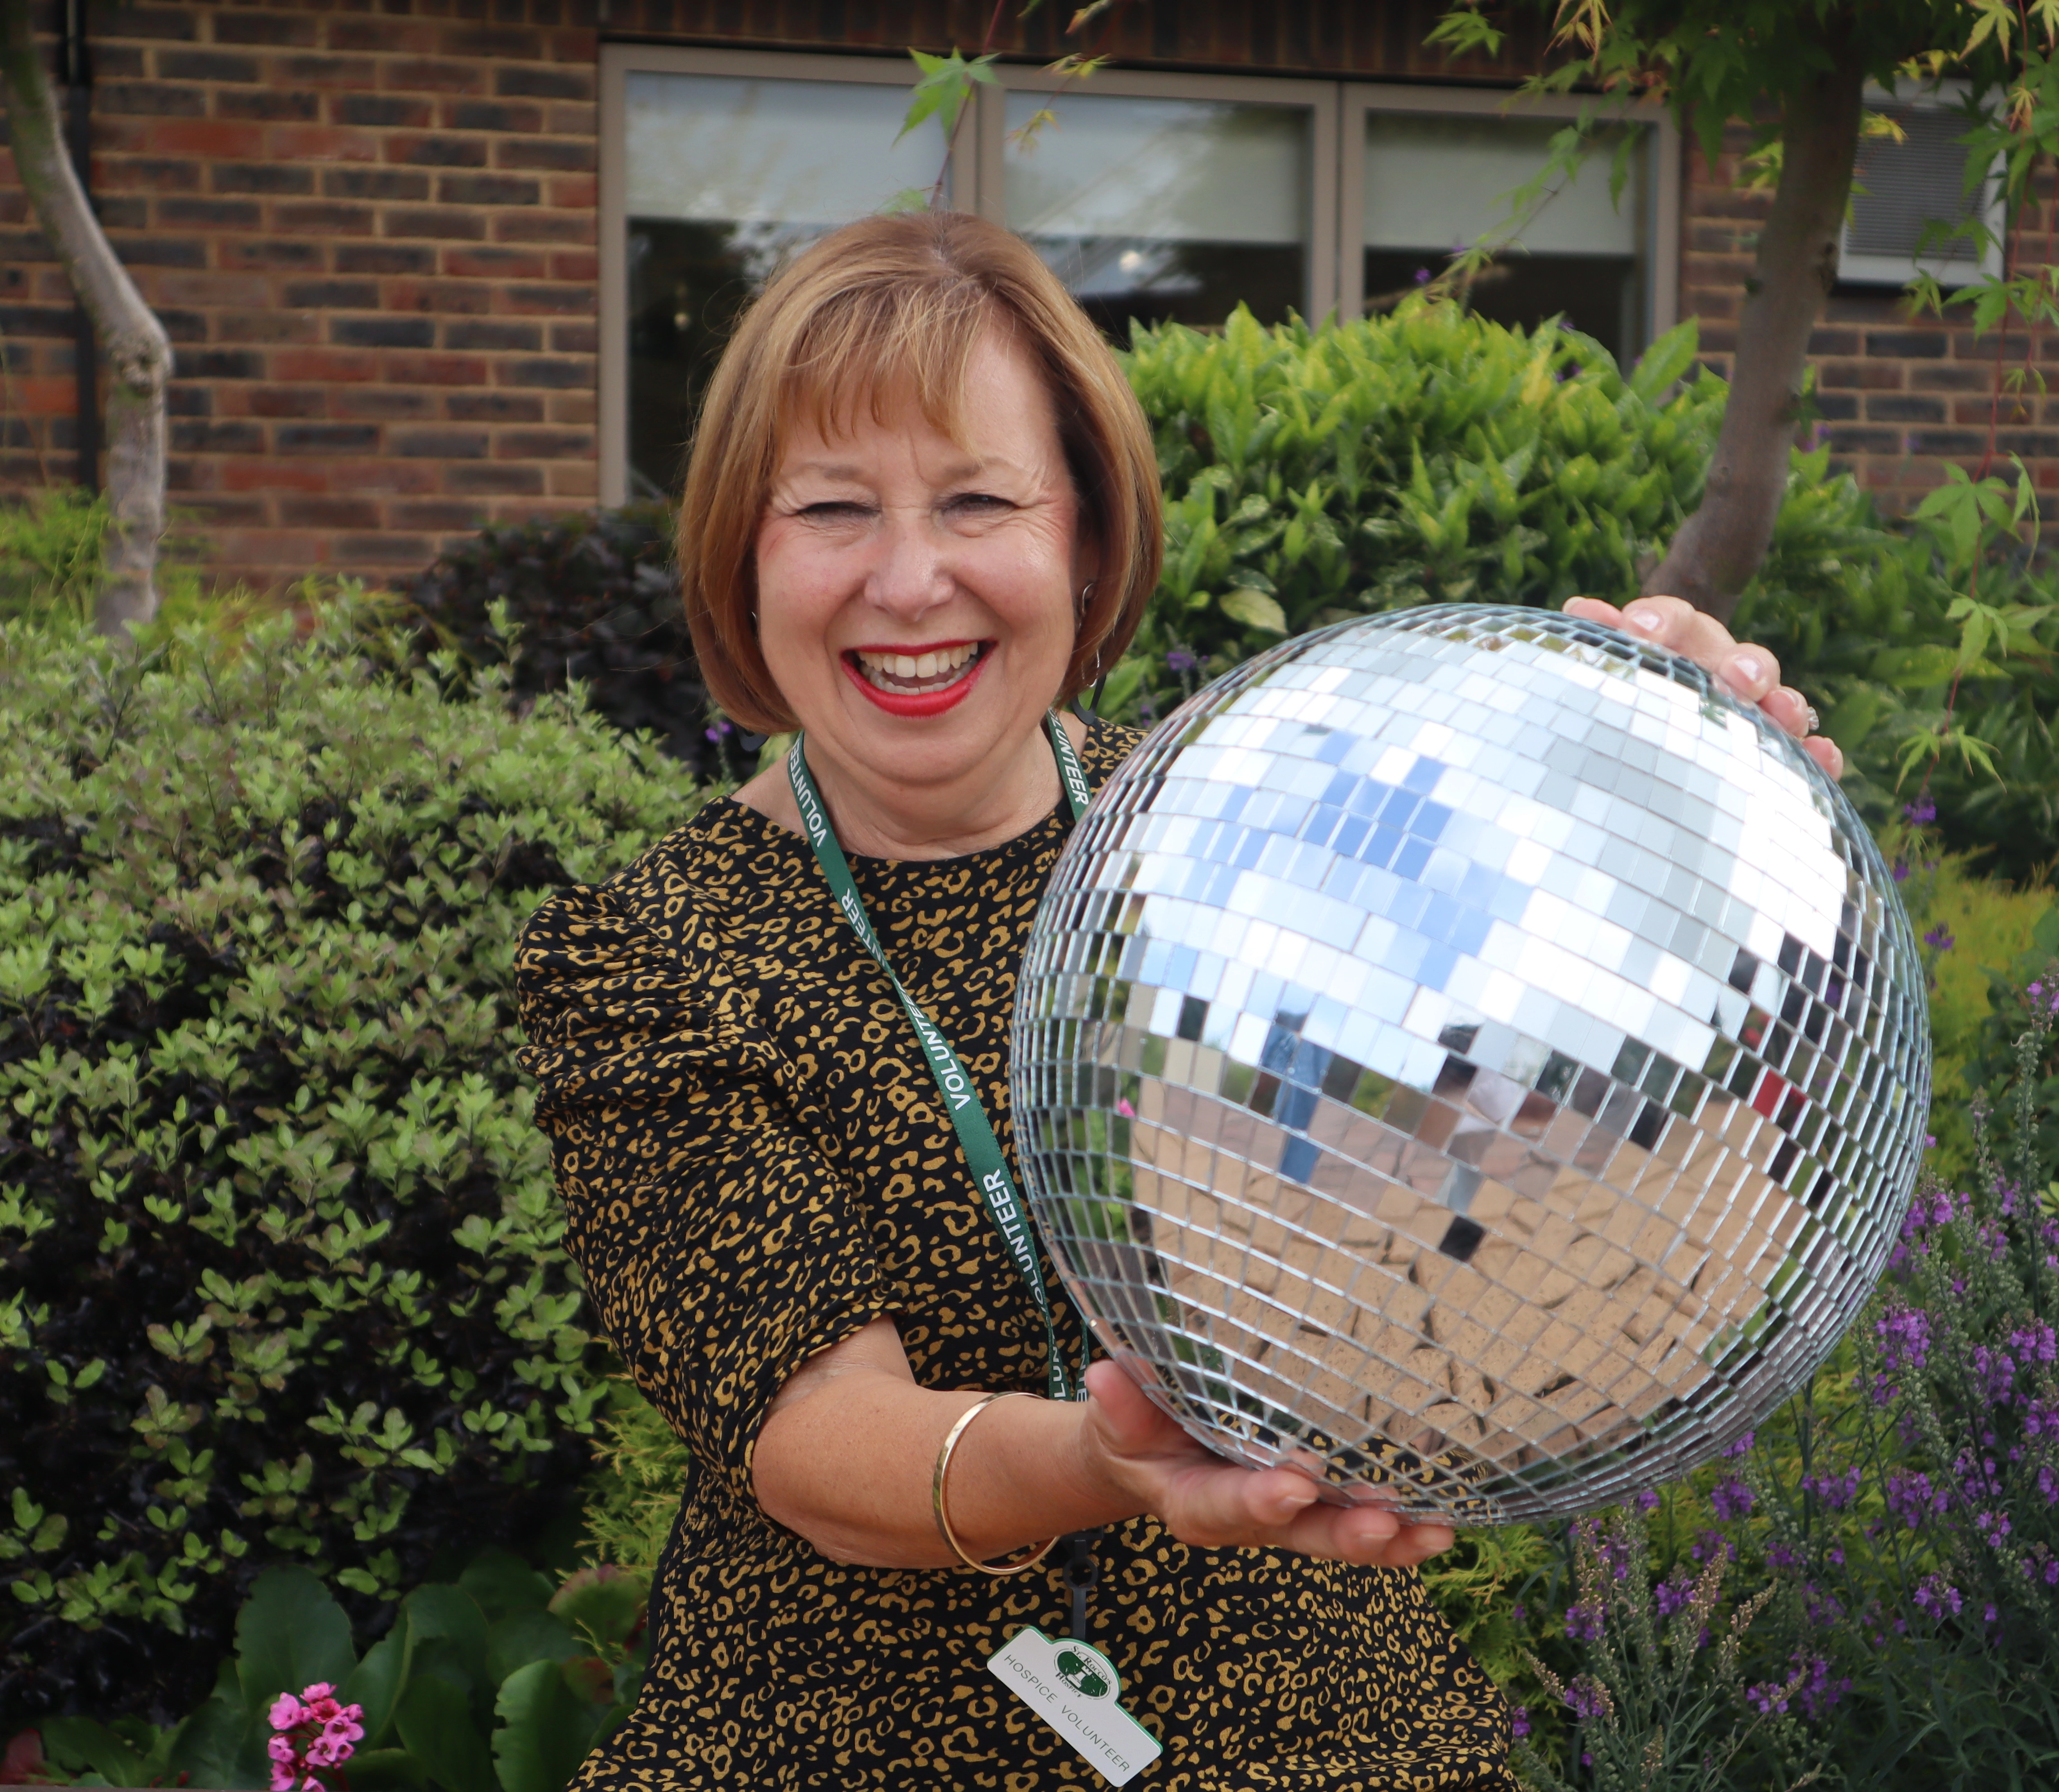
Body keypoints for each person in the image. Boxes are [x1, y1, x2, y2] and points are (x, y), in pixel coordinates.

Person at [515, 210, 1843, 1791]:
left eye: (979, 500)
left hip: (1322, 1725)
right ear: (746, 550)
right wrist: (1102, 1463)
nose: (910, 576)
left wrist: (1661, 774)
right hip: (854, 1739)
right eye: (834, 509)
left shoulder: (1247, 831)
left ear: (1084, 536)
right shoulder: (655, 954)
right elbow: (814, 1444)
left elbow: (1512, 1084)